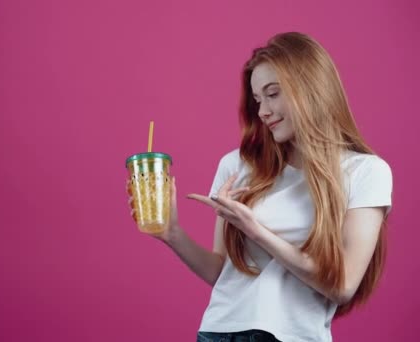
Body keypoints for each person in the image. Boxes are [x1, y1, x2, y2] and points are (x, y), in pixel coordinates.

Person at [127, 32, 393, 342]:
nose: (263, 111)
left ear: (312, 89)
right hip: (218, 331)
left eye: (273, 93)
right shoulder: (236, 165)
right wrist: (172, 234)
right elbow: (222, 273)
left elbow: (343, 285)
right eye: (257, 100)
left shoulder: (366, 172)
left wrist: (256, 231)